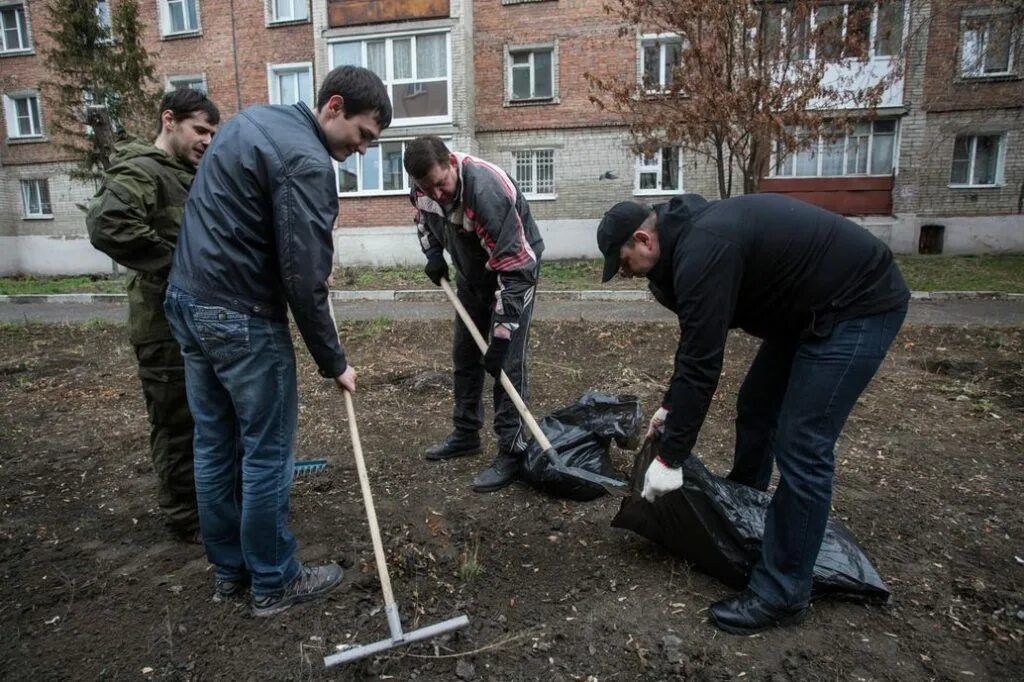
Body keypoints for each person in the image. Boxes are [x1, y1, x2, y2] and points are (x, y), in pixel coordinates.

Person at [597, 193, 909, 635]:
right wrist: (669, 408)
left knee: (802, 444)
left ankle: (783, 591)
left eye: (624, 262)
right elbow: (693, 347)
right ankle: (746, 508)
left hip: (857, 306)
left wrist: (671, 459)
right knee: (757, 405)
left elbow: (704, 365)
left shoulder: (704, 247)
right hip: (806, 310)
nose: (625, 273)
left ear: (644, 239)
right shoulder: (687, 245)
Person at [163, 66, 392, 617]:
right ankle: (274, 581)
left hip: (187, 301)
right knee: (267, 453)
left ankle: (230, 573)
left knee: (214, 445)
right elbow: (303, 282)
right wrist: (333, 361)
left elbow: (238, 220)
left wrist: (302, 264)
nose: (361, 151)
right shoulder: (308, 161)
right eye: (363, 135)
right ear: (333, 106)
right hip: (239, 316)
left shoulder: (251, 122)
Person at [86, 88, 220, 544]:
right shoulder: (143, 168)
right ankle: (185, 516)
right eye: (199, 130)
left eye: (212, 133)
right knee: (176, 420)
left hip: (194, 322)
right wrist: (180, 267)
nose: (206, 140)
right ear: (169, 120)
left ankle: (208, 502)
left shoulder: (187, 174)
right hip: (161, 328)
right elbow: (109, 223)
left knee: (206, 415)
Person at [403, 136, 545, 493]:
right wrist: (433, 254)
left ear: (452, 162)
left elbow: (515, 270)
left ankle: (512, 450)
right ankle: (466, 434)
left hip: (514, 273)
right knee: (465, 355)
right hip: (472, 276)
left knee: (506, 364)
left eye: (441, 184)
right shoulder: (423, 189)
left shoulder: (486, 191)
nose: (437, 194)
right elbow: (423, 220)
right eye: (427, 188)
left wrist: (501, 335)